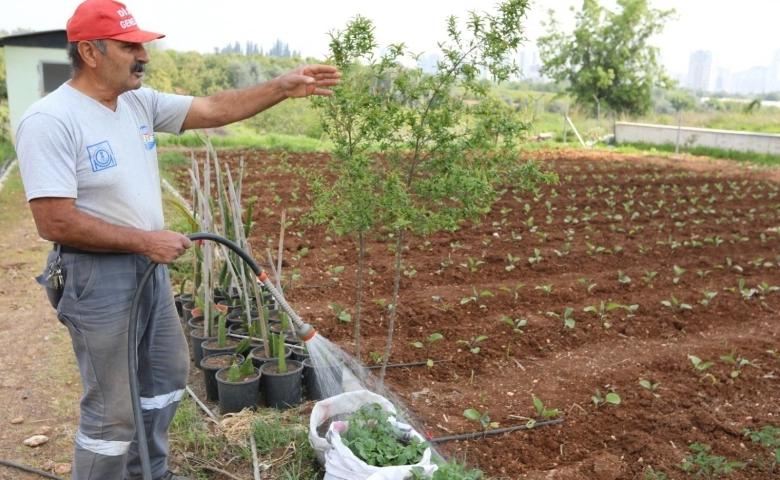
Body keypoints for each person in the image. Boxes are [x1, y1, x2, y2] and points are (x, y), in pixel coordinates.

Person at [14, 0, 340, 479]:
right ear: (89, 51)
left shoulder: (137, 102)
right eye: (130, 46)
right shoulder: (51, 120)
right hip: (95, 277)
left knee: (165, 377)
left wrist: (281, 88)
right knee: (112, 408)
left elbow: (211, 109)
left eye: (143, 45)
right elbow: (54, 222)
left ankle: (150, 472)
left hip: (148, 271)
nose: (143, 55)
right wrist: (145, 241)